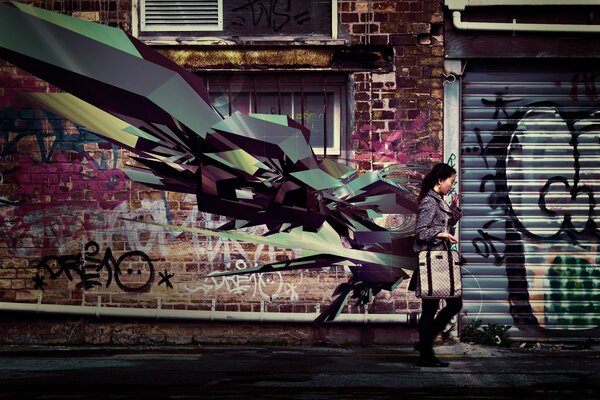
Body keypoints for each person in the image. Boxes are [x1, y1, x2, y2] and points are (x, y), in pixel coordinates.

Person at [409, 163, 463, 367]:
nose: (452, 185)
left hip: (439, 260)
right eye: (451, 181)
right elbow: (421, 232)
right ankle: (425, 351)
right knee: (437, 306)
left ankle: (425, 346)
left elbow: (443, 224)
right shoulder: (429, 202)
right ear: (440, 181)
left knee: (441, 306)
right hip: (432, 261)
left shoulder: (439, 200)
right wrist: (442, 234)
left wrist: (454, 212)